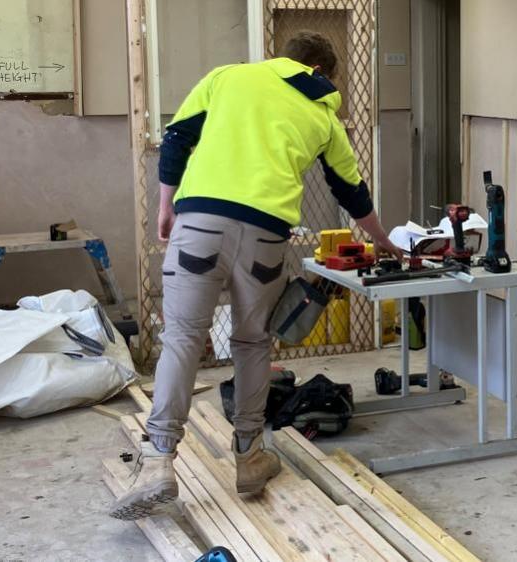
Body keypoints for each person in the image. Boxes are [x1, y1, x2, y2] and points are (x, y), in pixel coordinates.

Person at [110, 30, 402, 520]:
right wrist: (384, 240)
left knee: (182, 338)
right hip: (265, 235)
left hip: (200, 222)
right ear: (323, 73)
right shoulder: (324, 115)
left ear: (281, 59)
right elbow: (352, 191)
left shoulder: (227, 78)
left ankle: (159, 459)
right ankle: (249, 457)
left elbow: (177, 137)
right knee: (251, 343)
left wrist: (165, 208)